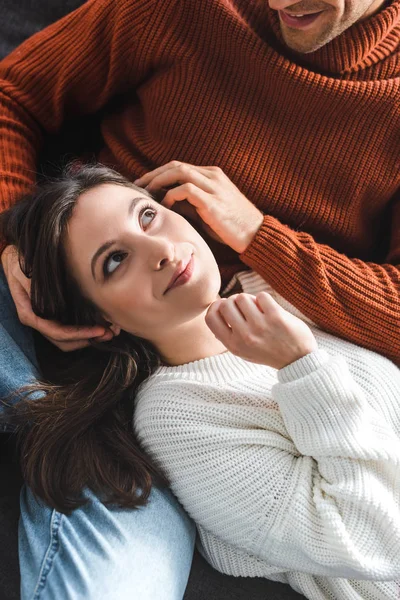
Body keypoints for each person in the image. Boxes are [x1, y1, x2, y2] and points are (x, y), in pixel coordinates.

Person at [0, 0, 399, 597]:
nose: (278, 2)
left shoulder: (291, 311)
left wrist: (260, 236)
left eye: (150, 217)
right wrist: (11, 233)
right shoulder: (184, 412)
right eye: (118, 258)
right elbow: (13, 91)